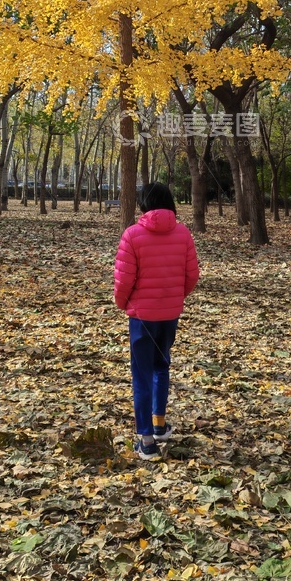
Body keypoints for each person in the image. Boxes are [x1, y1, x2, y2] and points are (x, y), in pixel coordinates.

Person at [114, 182, 200, 460]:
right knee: (161, 366)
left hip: (142, 316)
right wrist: (175, 297)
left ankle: (147, 441)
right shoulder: (183, 233)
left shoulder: (132, 234)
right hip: (169, 313)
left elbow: (123, 280)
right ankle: (159, 425)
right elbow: (192, 276)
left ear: (144, 203)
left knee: (141, 373)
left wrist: (123, 304)